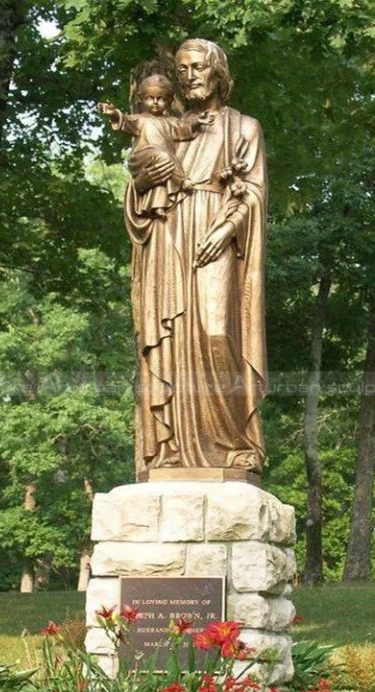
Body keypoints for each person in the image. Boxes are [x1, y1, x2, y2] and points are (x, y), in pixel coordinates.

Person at [125, 39, 267, 475]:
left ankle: (234, 443)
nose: (188, 76)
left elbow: (254, 192)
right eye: (182, 69)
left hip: (216, 232)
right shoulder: (162, 123)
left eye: (198, 67)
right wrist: (148, 176)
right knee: (169, 339)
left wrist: (225, 230)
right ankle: (170, 449)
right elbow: (138, 190)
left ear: (218, 72)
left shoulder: (243, 127)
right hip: (168, 236)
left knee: (217, 331)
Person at [98, 74, 212, 218]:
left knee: (161, 178)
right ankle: (182, 182)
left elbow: (183, 128)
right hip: (142, 156)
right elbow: (124, 121)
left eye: (161, 99)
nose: (156, 102)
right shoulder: (140, 120)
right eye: (150, 98)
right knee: (164, 156)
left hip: (163, 159)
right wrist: (113, 113)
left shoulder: (171, 121)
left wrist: (197, 122)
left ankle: (157, 206)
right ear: (141, 99)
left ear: (169, 101)